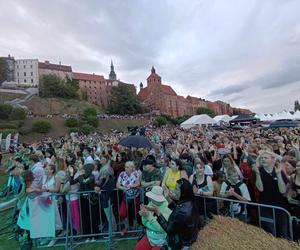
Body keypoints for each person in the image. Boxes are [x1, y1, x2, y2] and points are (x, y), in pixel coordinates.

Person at [149, 178, 198, 250]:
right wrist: (168, 198)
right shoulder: (189, 202)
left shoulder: (182, 211)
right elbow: (177, 208)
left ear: (183, 192)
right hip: (188, 240)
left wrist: (158, 213)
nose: (174, 191)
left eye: (177, 189)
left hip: (181, 243)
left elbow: (169, 230)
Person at [253, 150, 289, 238]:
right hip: (265, 206)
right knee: (269, 231)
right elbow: (260, 189)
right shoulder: (259, 171)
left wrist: (279, 175)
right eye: (261, 158)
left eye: (265, 158)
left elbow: (283, 191)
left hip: (280, 206)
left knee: (282, 232)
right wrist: (257, 174)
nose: (263, 160)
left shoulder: (278, 170)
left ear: (272, 160)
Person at [116, 161, 141, 232]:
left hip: (135, 196)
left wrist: (131, 186)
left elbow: (138, 183)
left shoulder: (136, 173)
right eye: (125, 167)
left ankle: (136, 229)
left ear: (132, 167)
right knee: (122, 213)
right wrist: (124, 188)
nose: (125, 168)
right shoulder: (122, 174)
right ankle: (127, 226)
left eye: (127, 167)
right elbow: (117, 185)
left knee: (136, 213)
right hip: (126, 196)